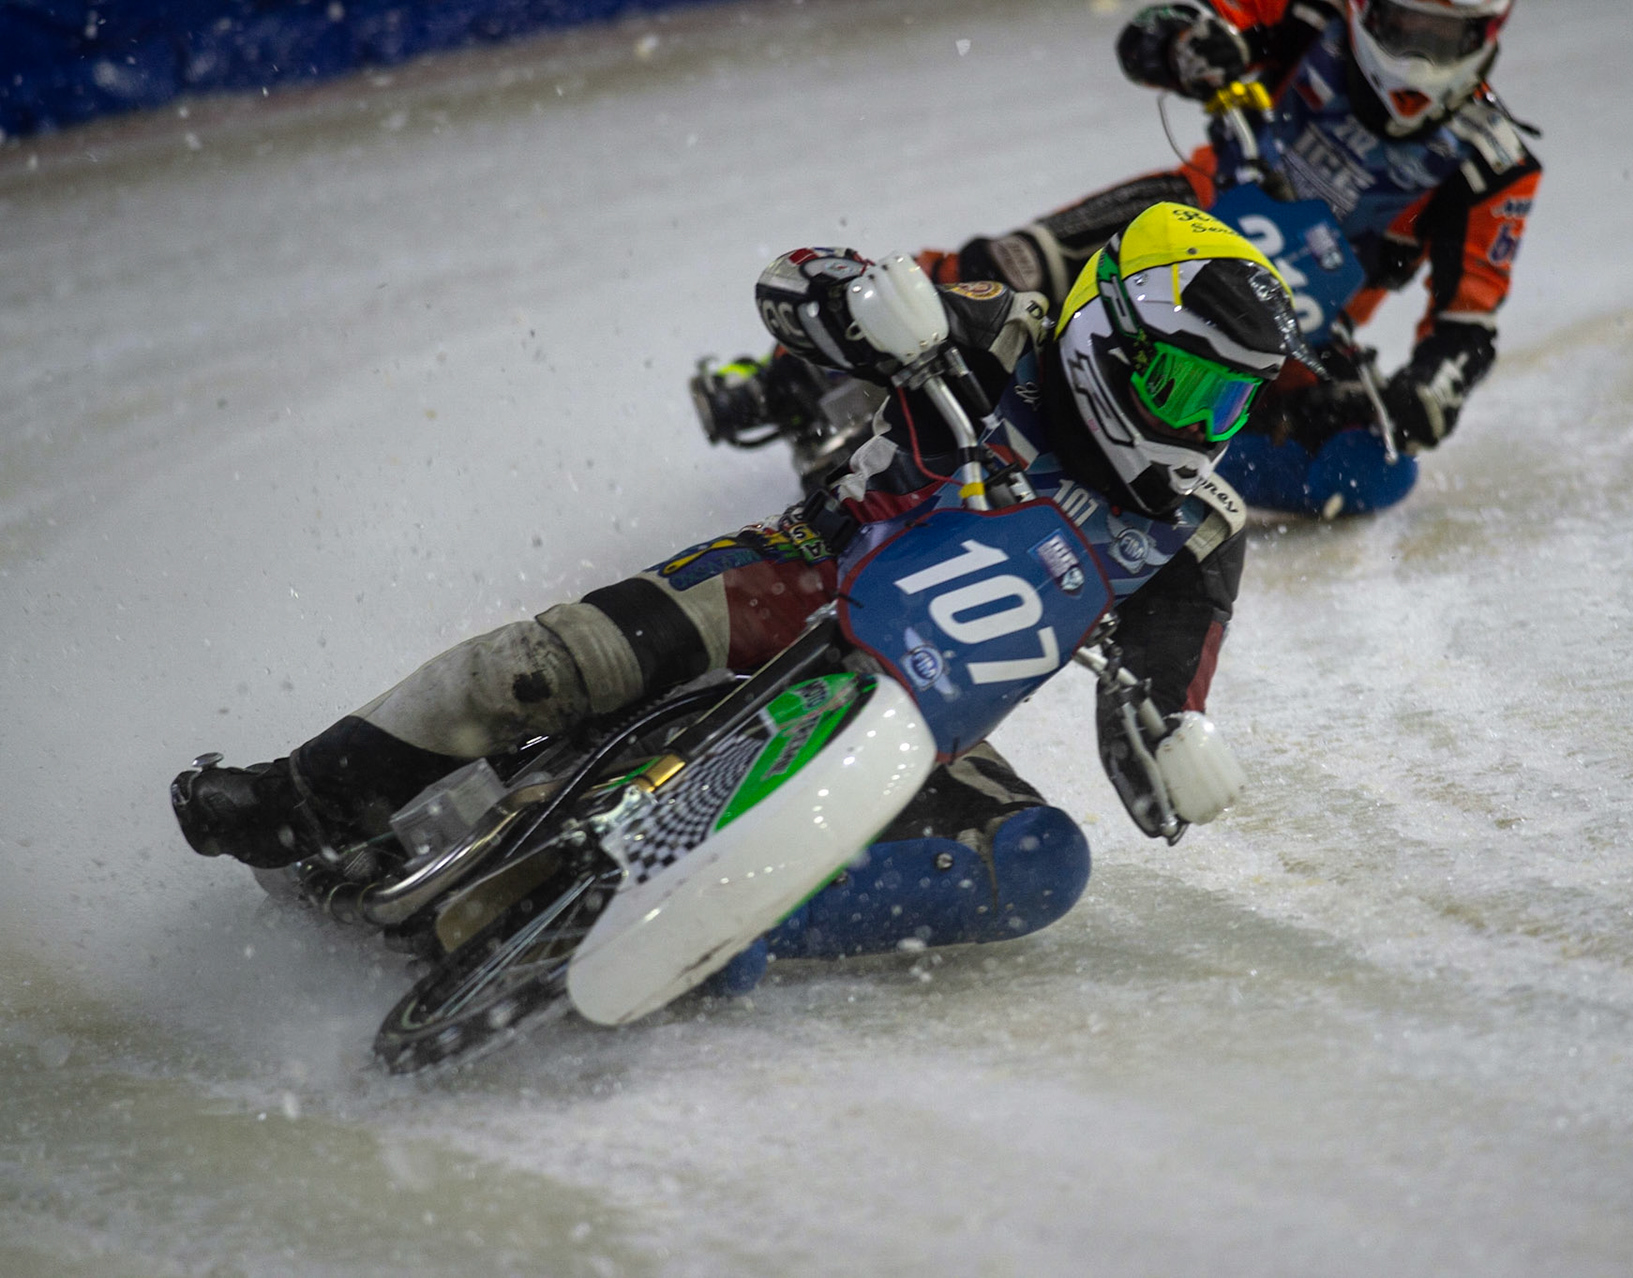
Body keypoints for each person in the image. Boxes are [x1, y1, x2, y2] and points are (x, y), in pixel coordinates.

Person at [173, 204, 1317, 984]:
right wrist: (864, 302)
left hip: (923, 724)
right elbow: (794, 285)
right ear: (1109, 334)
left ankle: (729, 932)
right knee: (544, 665)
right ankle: (295, 799)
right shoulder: (996, 332)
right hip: (795, 580)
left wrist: (1177, 745)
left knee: (1039, 862)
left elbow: (1157, 716)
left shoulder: (1197, 533)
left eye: (1226, 404)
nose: (1195, 428)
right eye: (1182, 383)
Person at [698, 0, 1541, 519]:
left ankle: (1105, 461)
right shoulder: (1308, 15)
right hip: (1176, 226)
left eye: (1445, 34)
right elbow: (1151, 31)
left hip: (1278, 331)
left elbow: (1468, 324)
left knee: (1376, 469)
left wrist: (1428, 392)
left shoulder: (1494, 163)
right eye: (1405, 25)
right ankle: (787, 373)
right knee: (1009, 265)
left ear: (1488, 33)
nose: (1419, 55)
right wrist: (1191, 45)